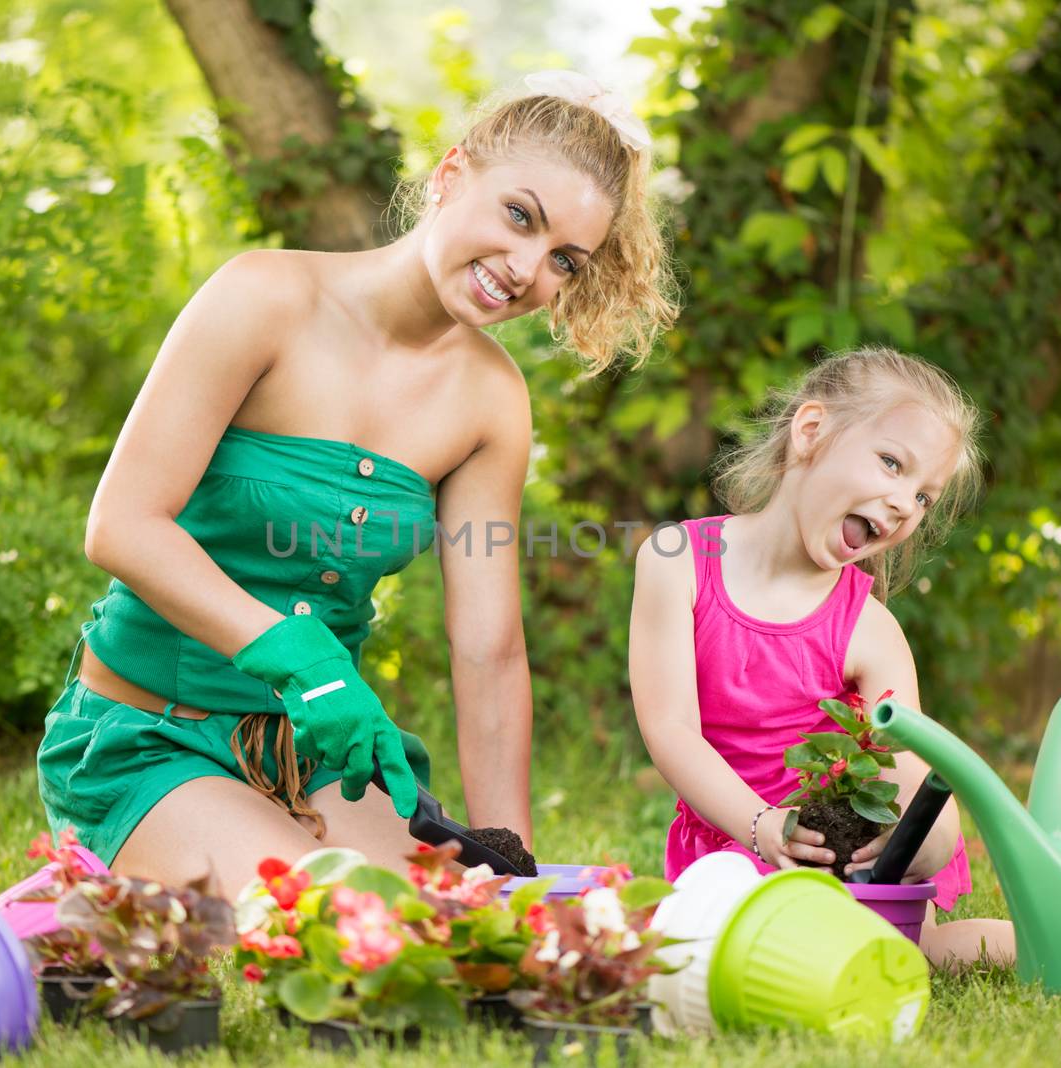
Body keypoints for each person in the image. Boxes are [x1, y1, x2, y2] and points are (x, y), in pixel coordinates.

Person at [37, 72, 677, 897]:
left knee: (453, 920)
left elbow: (489, 649)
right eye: (520, 216)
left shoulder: (492, 399)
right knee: (357, 922)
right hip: (150, 736)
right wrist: (293, 654)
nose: (525, 268)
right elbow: (121, 526)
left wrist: (508, 861)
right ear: (452, 176)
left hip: (314, 761)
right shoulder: (264, 297)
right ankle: (105, 865)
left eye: (563, 260)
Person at [629, 346, 1015, 967]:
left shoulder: (870, 630)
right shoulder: (678, 561)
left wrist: (908, 840)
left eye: (924, 497)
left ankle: (1028, 945)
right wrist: (761, 826)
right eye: (892, 464)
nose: (903, 505)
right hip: (734, 839)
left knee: (896, 917)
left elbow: (912, 777)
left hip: (842, 857)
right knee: (712, 946)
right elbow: (671, 730)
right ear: (811, 431)